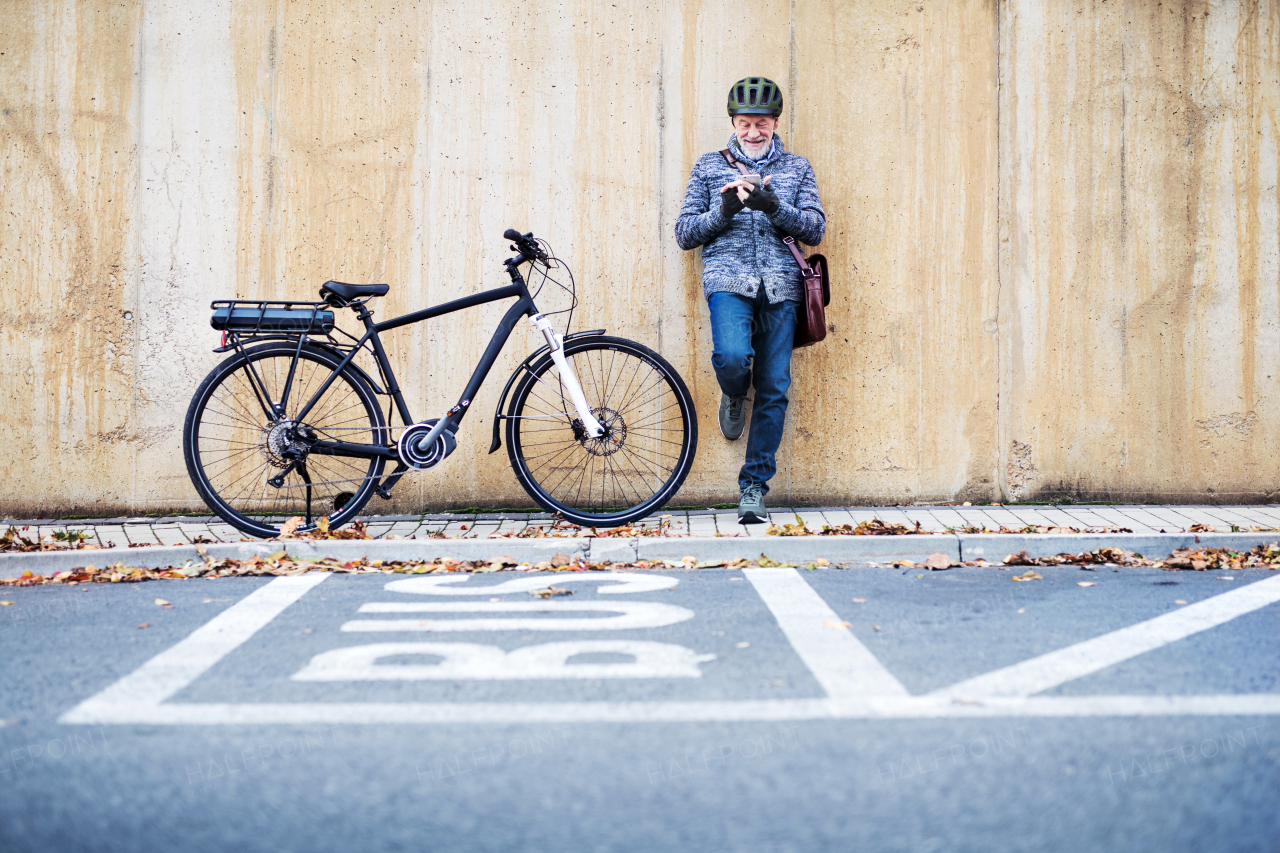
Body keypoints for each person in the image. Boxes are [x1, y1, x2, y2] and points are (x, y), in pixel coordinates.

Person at [675, 76, 826, 523]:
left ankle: (754, 487)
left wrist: (772, 205)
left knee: (776, 387)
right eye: (745, 124)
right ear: (734, 123)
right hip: (728, 282)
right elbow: (684, 234)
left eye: (762, 123)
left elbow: (815, 229)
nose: (753, 132)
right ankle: (734, 393)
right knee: (734, 359)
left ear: (775, 122)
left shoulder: (797, 169)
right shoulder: (708, 166)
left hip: (783, 288)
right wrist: (727, 209)